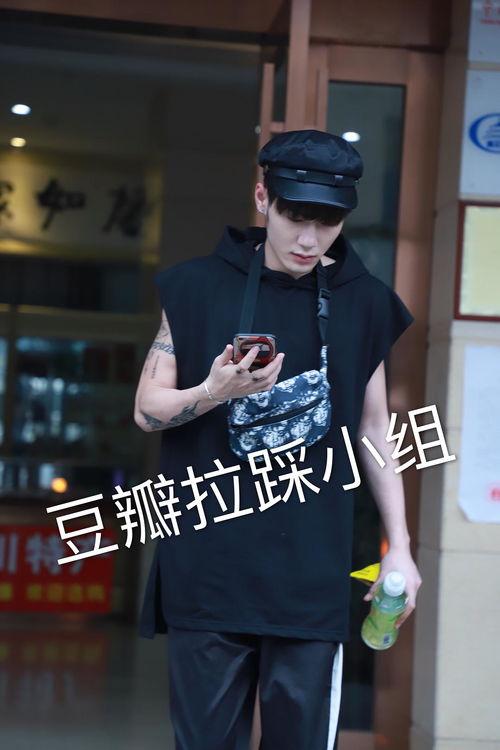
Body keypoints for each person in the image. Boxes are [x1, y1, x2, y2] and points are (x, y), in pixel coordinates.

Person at [134, 129, 422, 750]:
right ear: (263, 198)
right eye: (295, 217)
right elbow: (147, 410)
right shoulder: (195, 287)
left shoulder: (364, 302)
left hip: (311, 576)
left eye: (328, 222)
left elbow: (375, 429)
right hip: (208, 569)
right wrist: (212, 390)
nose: (309, 240)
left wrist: (399, 546)